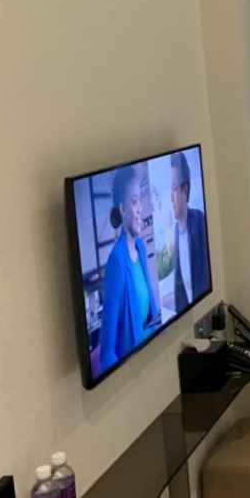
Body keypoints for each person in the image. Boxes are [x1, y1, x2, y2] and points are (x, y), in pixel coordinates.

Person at [98, 165, 159, 374]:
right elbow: (106, 352)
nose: (140, 208)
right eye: (134, 202)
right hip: (136, 370)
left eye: (140, 200)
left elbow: (150, 314)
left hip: (155, 354)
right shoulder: (116, 261)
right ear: (122, 210)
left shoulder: (141, 247)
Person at [171, 150, 211, 312]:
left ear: (185, 191)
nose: (170, 198)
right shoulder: (176, 230)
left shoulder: (200, 221)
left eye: (174, 189)